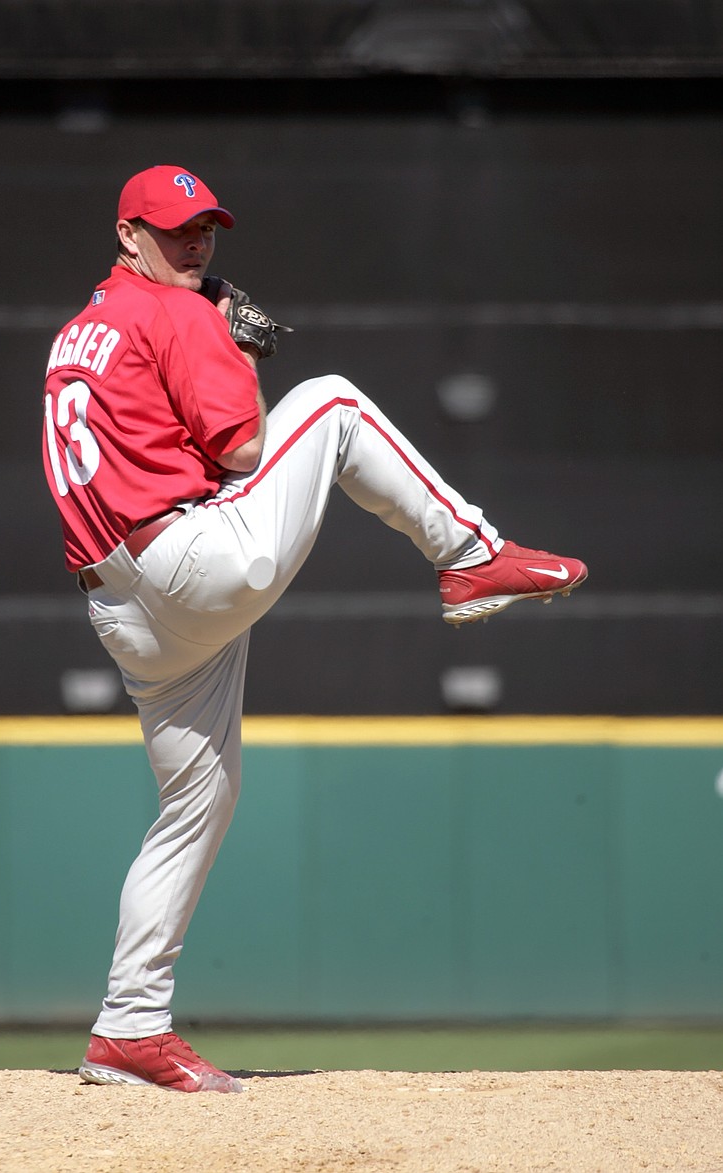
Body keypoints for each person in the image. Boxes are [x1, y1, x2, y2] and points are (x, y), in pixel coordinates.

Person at [41, 164, 587, 1095]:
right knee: (330, 401)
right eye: (175, 230)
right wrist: (235, 347)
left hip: (119, 605)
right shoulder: (174, 313)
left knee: (194, 805)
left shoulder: (76, 333)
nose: (196, 245)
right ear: (127, 234)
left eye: (206, 229)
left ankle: (129, 1026)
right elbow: (247, 448)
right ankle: (470, 551)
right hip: (183, 566)